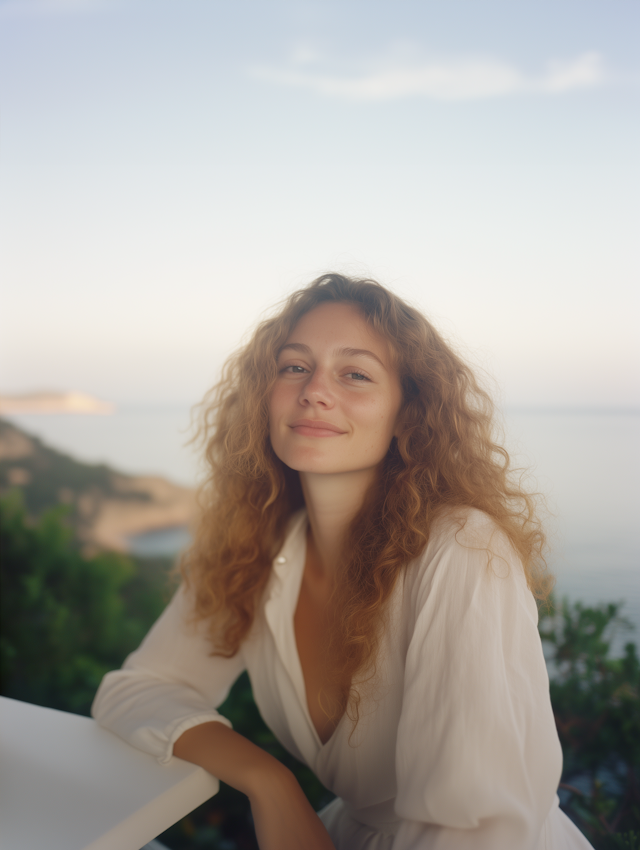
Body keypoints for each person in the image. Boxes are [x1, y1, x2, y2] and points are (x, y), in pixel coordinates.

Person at [92, 273, 594, 850]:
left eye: (354, 374)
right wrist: (269, 782)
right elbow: (137, 689)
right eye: (293, 367)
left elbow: (472, 832)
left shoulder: (461, 549)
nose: (314, 391)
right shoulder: (256, 549)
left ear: (409, 414)